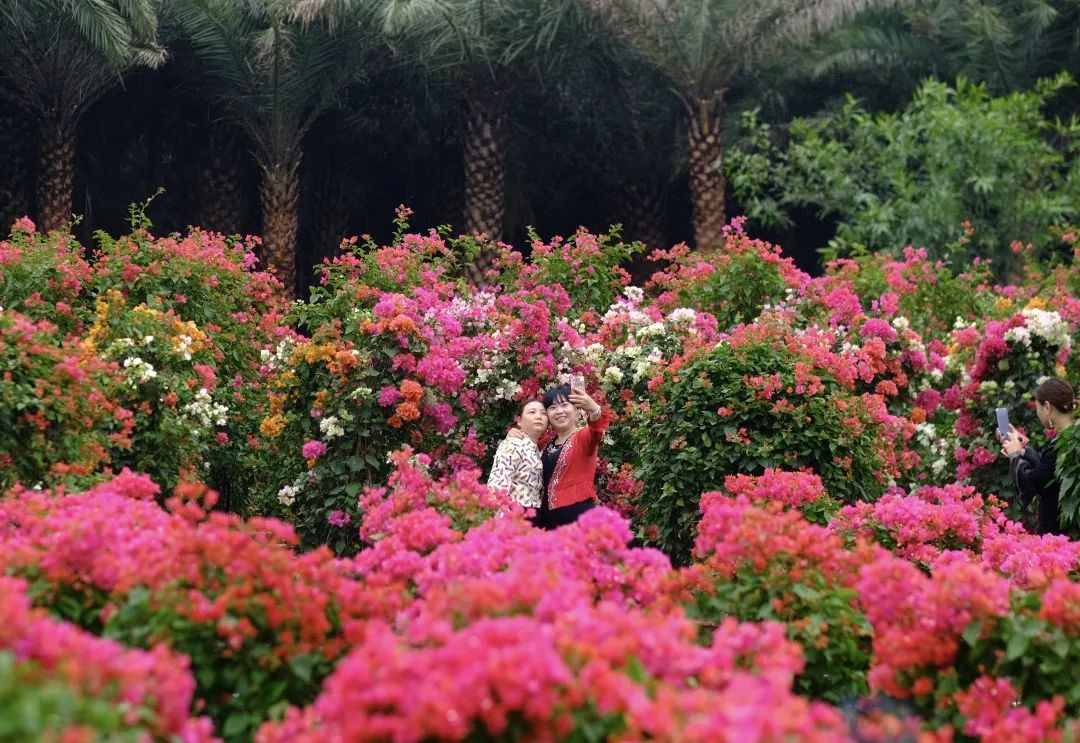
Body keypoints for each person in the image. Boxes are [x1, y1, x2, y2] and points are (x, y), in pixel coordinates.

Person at [1000, 377, 1075, 535]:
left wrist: (1014, 455)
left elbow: (1032, 482)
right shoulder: (1073, 438)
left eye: (1038, 408)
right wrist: (1023, 450)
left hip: (1059, 537)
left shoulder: (1059, 447)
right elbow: (1047, 469)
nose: (1038, 412)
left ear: (1047, 407)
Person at [536, 382, 609, 529]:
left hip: (577, 517)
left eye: (564, 405)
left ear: (576, 409)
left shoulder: (582, 436)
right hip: (548, 519)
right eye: (552, 407)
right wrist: (515, 433)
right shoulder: (546, 443)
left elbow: (596, 431)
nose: (559, 411)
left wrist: (594, 409)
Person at [487, 400, 548, 512]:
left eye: (543, 413)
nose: (539, 416)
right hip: (517, 514)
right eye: (532, 412)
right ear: (519, 421)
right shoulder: (512, 444)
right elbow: (497, 486)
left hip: (535, 515)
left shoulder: (539, 451)